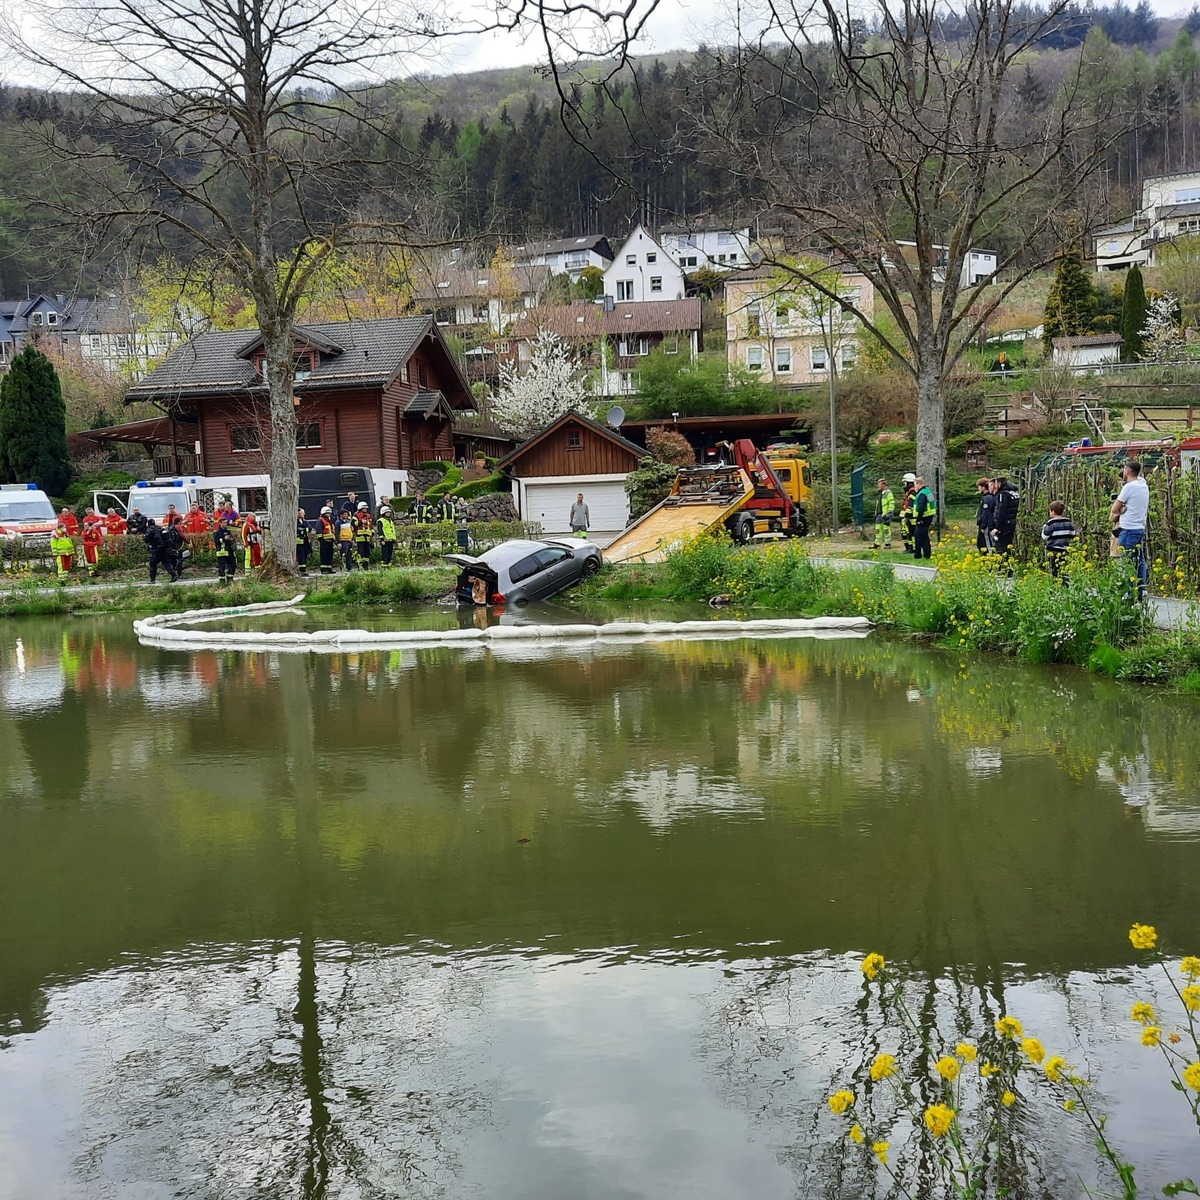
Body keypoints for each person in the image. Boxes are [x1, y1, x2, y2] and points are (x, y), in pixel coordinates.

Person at [1111, 459, 1150, 600]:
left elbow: (1114, 509)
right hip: (1139, 527)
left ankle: (1128, 593)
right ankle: (1141, 590)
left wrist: (1121, 510)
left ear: (1127, 471)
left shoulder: (1128, 488)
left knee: (1128, 562)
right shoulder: (1143, 485)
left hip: (1128, 529)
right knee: (1140, 560)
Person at [1041, 500, 1077, 579]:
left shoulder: (1050, 523)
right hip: (1064, 550)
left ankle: (1055, 585)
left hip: (1052, 551)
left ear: (1053, 512)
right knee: (1064, 569)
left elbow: (1044, 536)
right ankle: (1064, 584)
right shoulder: (1068, 522)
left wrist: (1044, 528)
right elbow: (1073, 535)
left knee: (1053, 570)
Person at [989, 474, 1020, 557]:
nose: (995, 486)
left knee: (1002, 547)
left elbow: (1001, 511)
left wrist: (997, 528)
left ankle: (1004, 566)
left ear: (999, 484)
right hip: (1012, 522)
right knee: (1008, 545)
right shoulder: (1013, 492)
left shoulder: (1003, 495)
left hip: (1004, 525)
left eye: (995, 484)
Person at [143, 519, 177, 583]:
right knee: (166, 562)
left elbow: (146, 539)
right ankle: (174, 575)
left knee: (153, 564)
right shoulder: (160, 528)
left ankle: (152, 580)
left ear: (148, 524)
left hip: (156, 549)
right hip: (164, 548)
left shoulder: (150, 529)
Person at [912, 476, 936, 559]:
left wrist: (919, 518)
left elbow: (921, 506)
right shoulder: (928, 491)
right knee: (923, 536)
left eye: (915, 484)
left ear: (919, 484)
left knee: (919, 536)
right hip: (928, 516)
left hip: (923, 517)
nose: (914, 487)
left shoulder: (922, 494)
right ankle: (925, 554)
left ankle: (919, 554)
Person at [871, 477, 895, 550]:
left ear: (884, 484)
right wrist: (876, 513)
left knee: (886, 529)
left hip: (885, 514)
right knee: (878, 529)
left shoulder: (888, 493)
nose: (878, 486)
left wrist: (890, 512)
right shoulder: (880, 494)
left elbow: (891, 502)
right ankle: (877, 543)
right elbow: (878, 504)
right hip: (879, 514)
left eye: (879, 484)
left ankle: (887, 543)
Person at [975, 477, 995, 554]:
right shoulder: (987, 497)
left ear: (983, 487)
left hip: (986, 526)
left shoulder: (987, 498)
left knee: (985, 543)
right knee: (980, 543)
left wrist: (983, 526)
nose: (978, 489)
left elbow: (985, 513)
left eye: (979, 487)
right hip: (985, 524)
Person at [213, 517, 237, 583]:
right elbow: (216, 541)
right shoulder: (217, 532)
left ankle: (230, 578)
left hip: (230, 551)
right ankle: (222, 580)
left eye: (226, 522)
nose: (226, 524)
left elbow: (232, 540)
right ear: (220, 523)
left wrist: (232, 538)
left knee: (233, 565)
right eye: (224, 522)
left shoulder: (228, 531)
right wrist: (224, 539)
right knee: (222, 567)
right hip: (222, 552)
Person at [899, 473, 917, 553]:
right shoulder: (908, 491)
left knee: (911, 532)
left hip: (911, 517)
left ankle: (911, 548)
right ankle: (908, 548)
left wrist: (907, 515)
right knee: (905, 532)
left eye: (905, 482)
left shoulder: (912, 491)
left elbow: (911, 504)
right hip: (906, 517)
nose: (904, 484)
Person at [353, 501, 374, 568]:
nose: (365, 509)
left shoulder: (368, 515)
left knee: (367, 552)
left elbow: (370, 525)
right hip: (360, 537)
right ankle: (360, 566)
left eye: (366, 508)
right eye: (364, 508)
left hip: (367, 536)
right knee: (361, 552)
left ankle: (366, 565)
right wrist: (360, 522)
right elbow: (353, 523)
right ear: (360, 508)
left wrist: (372, 532)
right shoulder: (356, 515)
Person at [317, 505, 336, 574]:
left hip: (330, 541)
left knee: (329, 555)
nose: (329, 514)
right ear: (324, 513)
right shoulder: (320, 520)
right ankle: (323, 569)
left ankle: (329, 568)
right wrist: (321, 539)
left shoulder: (329, 521)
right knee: (324, 555)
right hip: (324, 541)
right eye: (327, 513)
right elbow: (319, 531)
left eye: (329, 513)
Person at [295, 509, 312, 574]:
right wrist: (304, 530)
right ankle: (301, 570)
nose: (303, 514)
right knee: (301, 555)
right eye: (301, 513)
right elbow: (297, 530)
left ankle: (303, 569)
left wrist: (304, 529)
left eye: (302, 513)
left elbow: (309, 528)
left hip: (305, 541)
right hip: (298, 542)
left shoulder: (304, 522)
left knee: (305, 555)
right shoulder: (295, 522)